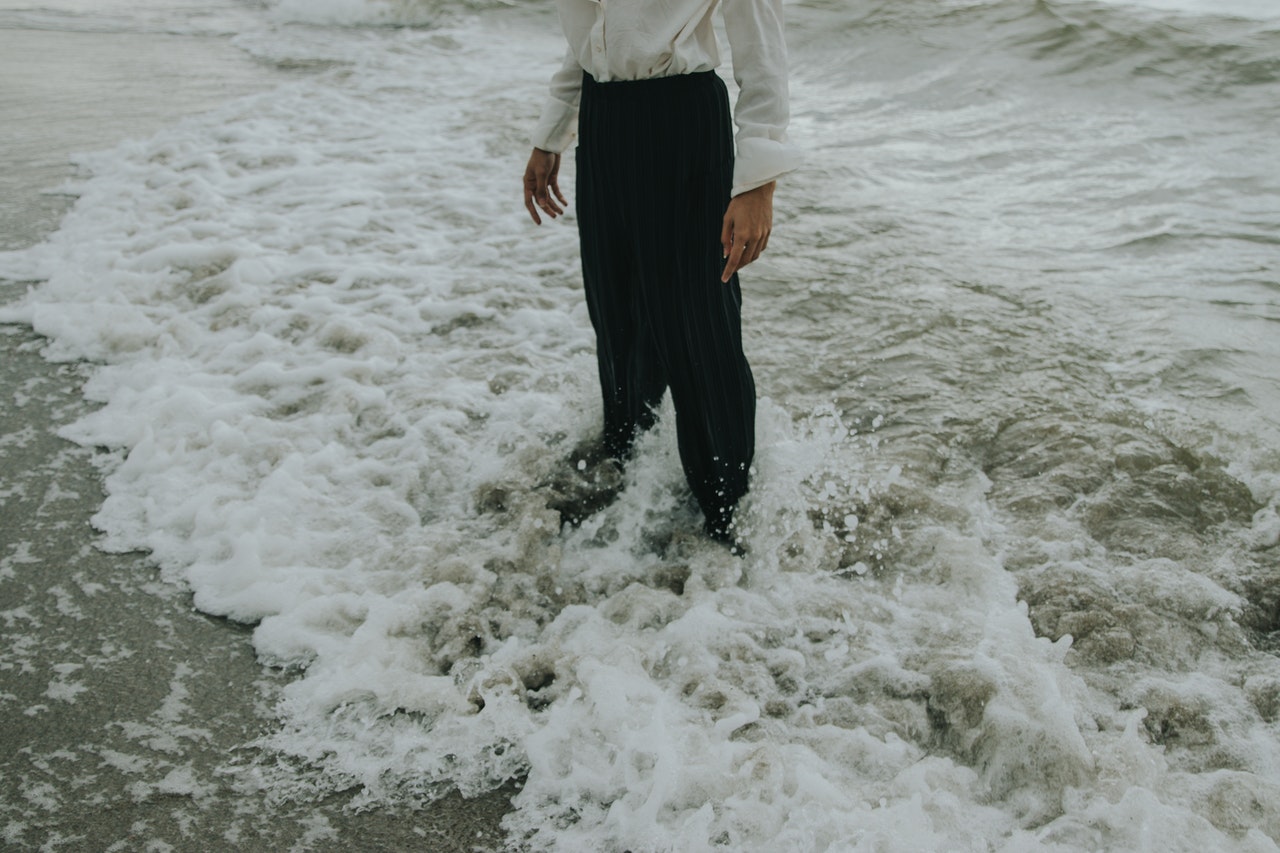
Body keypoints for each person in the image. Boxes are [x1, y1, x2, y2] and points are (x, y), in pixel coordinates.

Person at [523, 0, 800, 545]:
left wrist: (758, 183)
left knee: (697, 324)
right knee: (618, 314)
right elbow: (593, 36)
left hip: (682, 120)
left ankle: (728, 519)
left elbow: (762, 51)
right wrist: (550, 134)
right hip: (604, 120)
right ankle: (626, 475)